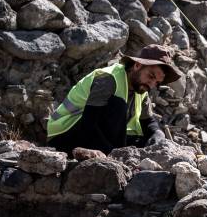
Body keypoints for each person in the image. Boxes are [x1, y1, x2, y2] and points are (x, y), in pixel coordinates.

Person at [46, 44, 182, 160]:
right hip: (65, 134)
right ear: (137, 65)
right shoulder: (108, 79)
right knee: (118, 106)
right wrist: (114, 155)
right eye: (151, 76)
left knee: (146, 142)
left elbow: (149, 122)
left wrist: (157, 134)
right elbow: (89, 123)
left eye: (157, 82)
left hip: (99, 136)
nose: (151, 84)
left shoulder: (141, 89)